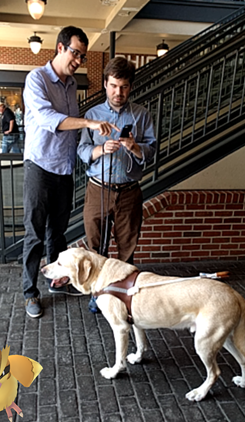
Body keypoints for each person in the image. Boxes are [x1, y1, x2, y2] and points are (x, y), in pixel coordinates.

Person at [22, 26, 117, 318]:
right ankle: (30, 292)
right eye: (76, 53)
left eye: (82, 55)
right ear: (60, 47)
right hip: (39, 165)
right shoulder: (36, 78)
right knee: (35, 232)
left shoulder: (71, 83)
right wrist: (88, 124)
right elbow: (49, 119)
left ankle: (56, 281)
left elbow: (71, 130)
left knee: (57, 233)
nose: (78, 59)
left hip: (64, 168)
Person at [77, 57, 156, 311]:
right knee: (95, 245)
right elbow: (81, 150)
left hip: (129, 192)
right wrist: (100, 149)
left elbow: (152, 150)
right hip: (97, 188)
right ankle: (96, 294)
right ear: (105, 84)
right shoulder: (92, 115)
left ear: (130, 86)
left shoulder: (142, 115)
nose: (118, 92)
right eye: (113, 86)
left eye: (123, 87)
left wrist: (135, 147)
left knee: (127, 248)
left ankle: (121, 297)